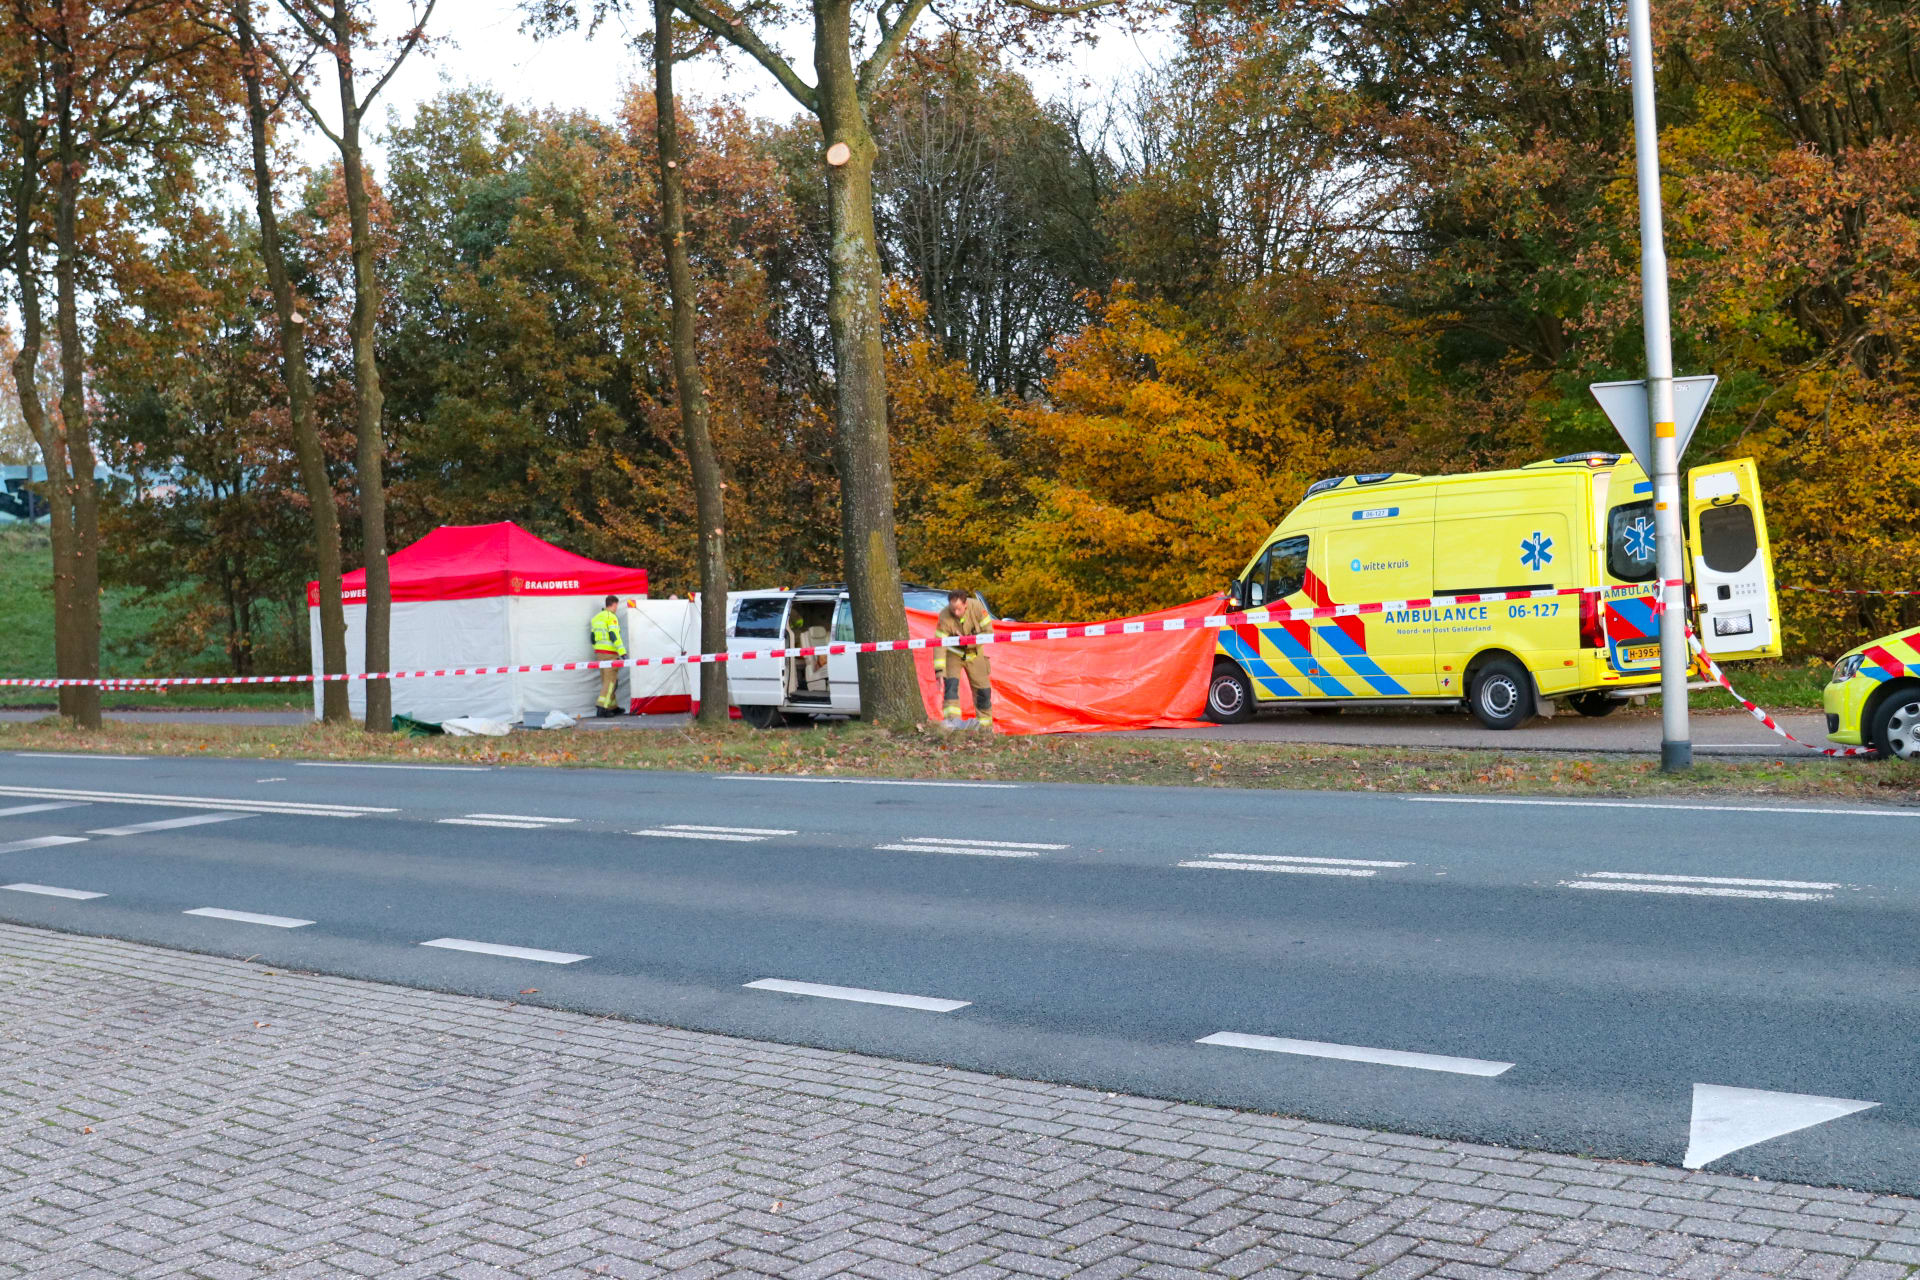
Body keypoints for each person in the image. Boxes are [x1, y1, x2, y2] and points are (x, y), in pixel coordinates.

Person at [933, 589, 993, 730]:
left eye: (959, 609)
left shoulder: (977, 608)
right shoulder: (944, 616)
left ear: (965, 604)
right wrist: (940, 672)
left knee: (983, 692)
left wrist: (967, 641)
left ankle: (986, 728)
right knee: (951, 689)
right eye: (953, 609)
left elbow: (989, 633)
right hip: (954, 654)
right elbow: (939, 644)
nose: (956, 612)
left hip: (975, 653)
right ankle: (952, 725)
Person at [590, 595, 627, 716]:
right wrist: (623, 653)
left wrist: (598, 650)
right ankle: (602, 707)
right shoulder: (611, 617)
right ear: (614, 604)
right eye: (617, 605)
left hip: (599, 654)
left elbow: (592, 639)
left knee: (608, 681)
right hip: (610, 654)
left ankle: (612, 706)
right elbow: (614, 636)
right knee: (611, 681)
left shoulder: (596, 618)